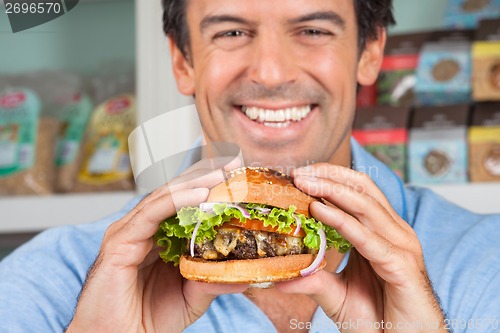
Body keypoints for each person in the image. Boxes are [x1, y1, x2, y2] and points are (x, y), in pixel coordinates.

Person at [1, 0, 500, 332]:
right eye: (233, 31)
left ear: (369, 52)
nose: (271, 72)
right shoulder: (48, 282)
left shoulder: (486, 267)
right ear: (183, 61)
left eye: (312, 29)